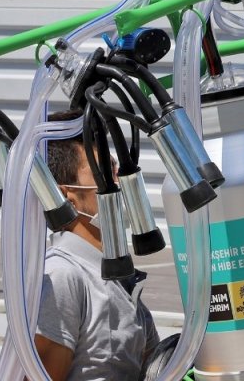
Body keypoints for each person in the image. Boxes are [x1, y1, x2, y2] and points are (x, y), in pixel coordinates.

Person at [35, 110, 159, 381]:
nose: (117, 182)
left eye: (114, 167)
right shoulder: (62, 275)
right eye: (102, 173)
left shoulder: (117, 276)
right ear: (65, 195)